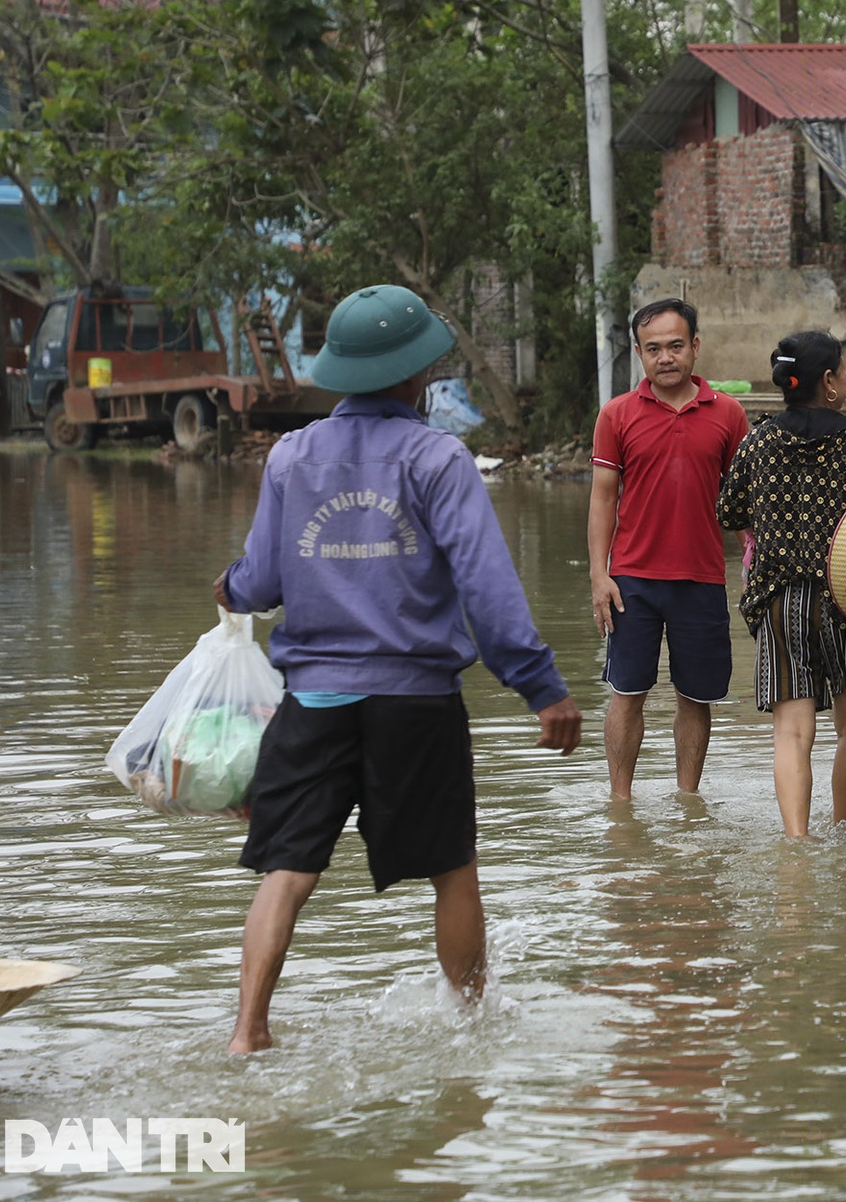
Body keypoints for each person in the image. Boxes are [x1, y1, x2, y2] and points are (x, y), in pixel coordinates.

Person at [215, 284, 583, 1055]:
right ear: (418, 377)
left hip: (311, 700)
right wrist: (540, 687)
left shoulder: (291, 457)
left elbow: (260, 583)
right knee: (452, 867)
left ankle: (248, 1033)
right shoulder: (437, 457)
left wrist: (230, 586)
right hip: (415, 702)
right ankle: (473, 1028)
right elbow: (485, 585)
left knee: (285, 870)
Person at [716, 331, 846, 838]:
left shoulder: (760, 440)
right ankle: (844, 833)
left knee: (792, 732)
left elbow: (728, 510)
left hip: (780, 602)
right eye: (844, 369)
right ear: (830, 381)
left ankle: (796, 842)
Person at [589, 297, 749, 799]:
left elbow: (747, 499)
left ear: (695, 347)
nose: (665, 357)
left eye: (675, 346)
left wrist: (754, 562)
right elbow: (602, 498)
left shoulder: (728, 414)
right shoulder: (616, 415)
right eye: (653, 348)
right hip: (631, 580)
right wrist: (599, 576)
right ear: (639, 353)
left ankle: (687, 800)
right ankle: (621, 804)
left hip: (701, 578)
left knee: (695, 697)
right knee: (626, 694)